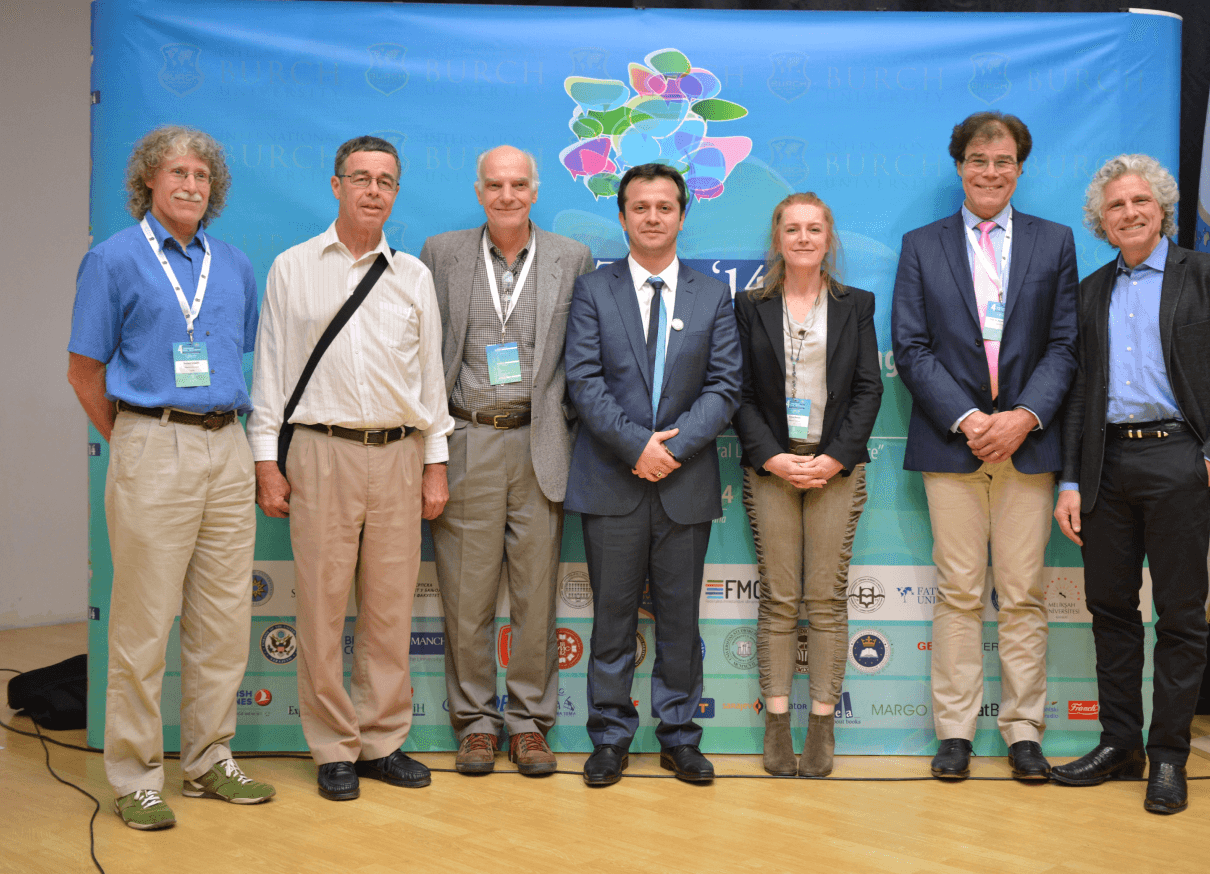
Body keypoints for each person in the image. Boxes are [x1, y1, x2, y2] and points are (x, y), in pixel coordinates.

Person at [67, 125, 275, 830]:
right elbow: (84, 370)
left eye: (202, 175)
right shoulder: (112, 259)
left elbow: (239, 354)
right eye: (178, 172)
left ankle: (210, 759)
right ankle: (135, 776)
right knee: (143, 623)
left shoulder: (234, 265)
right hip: (153, 443)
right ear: (149, 181)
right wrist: (134, 438)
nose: (191, 185)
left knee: (224, 621)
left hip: (227, 445)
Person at [248, 135, 454, 801]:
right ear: (336, 185)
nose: (373, 190)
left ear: (396, 192)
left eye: (385, 180)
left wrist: (435, 464)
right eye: (360, 177)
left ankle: (382, 741)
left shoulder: (413, 275)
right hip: (320, 452)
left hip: (399, 453)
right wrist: (266, 462)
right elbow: (271, 373)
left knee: (390, 610)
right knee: (320, 605)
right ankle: (334, 746)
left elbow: (430, 383)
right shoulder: (292, 267)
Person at [890, 111, 1078, 782]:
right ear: (959, 166)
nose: (990, 172)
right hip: (953, 445)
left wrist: (1023, 416)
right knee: (959, 593)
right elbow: (910, 347)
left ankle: (1024, 732)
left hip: (1028, 444)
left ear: (1019, 169)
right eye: (978, 160)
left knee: (1023, 594)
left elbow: (1065, 345)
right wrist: (970, 418)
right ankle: (955, 733)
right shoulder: (922, 245)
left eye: (1003, 161)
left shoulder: (1054, 242)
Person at [564, 162, 742, 786]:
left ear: (682, 216)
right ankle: (610, 738)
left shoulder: (712, 295)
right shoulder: (593, 290)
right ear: (622, 217)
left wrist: (672, 449)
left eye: (665, 207)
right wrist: (636, 446)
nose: (652, 217)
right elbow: (583, 380)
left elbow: (725, 386)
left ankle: (680, 737)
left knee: (680, 621)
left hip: (683, 484)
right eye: (640, 207)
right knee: (611, 621)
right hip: (611, 481)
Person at [418, 145, 593, 775]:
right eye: (495, 185)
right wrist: (431, 454)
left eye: (518, 184)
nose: (507, 196)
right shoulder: (442, 253)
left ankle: (528, 725)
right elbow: (423, 354)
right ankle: (473, 723)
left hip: (540, 443)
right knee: (466, 598)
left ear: (535, 191)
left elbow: (583, 357)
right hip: (467, 439)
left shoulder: (572, 257)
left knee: (535, 597)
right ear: (478, 191)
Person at [1052, 154, 1210, 815]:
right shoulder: (1090, 292)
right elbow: (1078, 392)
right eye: (1115, 205)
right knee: (1111, 612)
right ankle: (1120, 744)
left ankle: (1168, 756)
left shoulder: (1201, 275)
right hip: (1105, 467)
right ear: (1102, 220)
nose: (1130, 212)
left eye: (1140, 200)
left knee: (1180, 616)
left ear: (1163, 208)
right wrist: (1068, 480)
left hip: (1180, 459)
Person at [733, 193, 883, 777]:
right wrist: (772, 457)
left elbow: (869, 388)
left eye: (814, 229)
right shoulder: (750, 306)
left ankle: (821, 726)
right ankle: (776, 728)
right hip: (772, 467)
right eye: (792, 228)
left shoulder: (856, 305)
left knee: (824, 599)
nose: (802, 238)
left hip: (834, 469)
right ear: (777, 238)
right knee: (778, 599)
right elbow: (739, 392)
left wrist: (834, 459)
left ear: (829, 238)